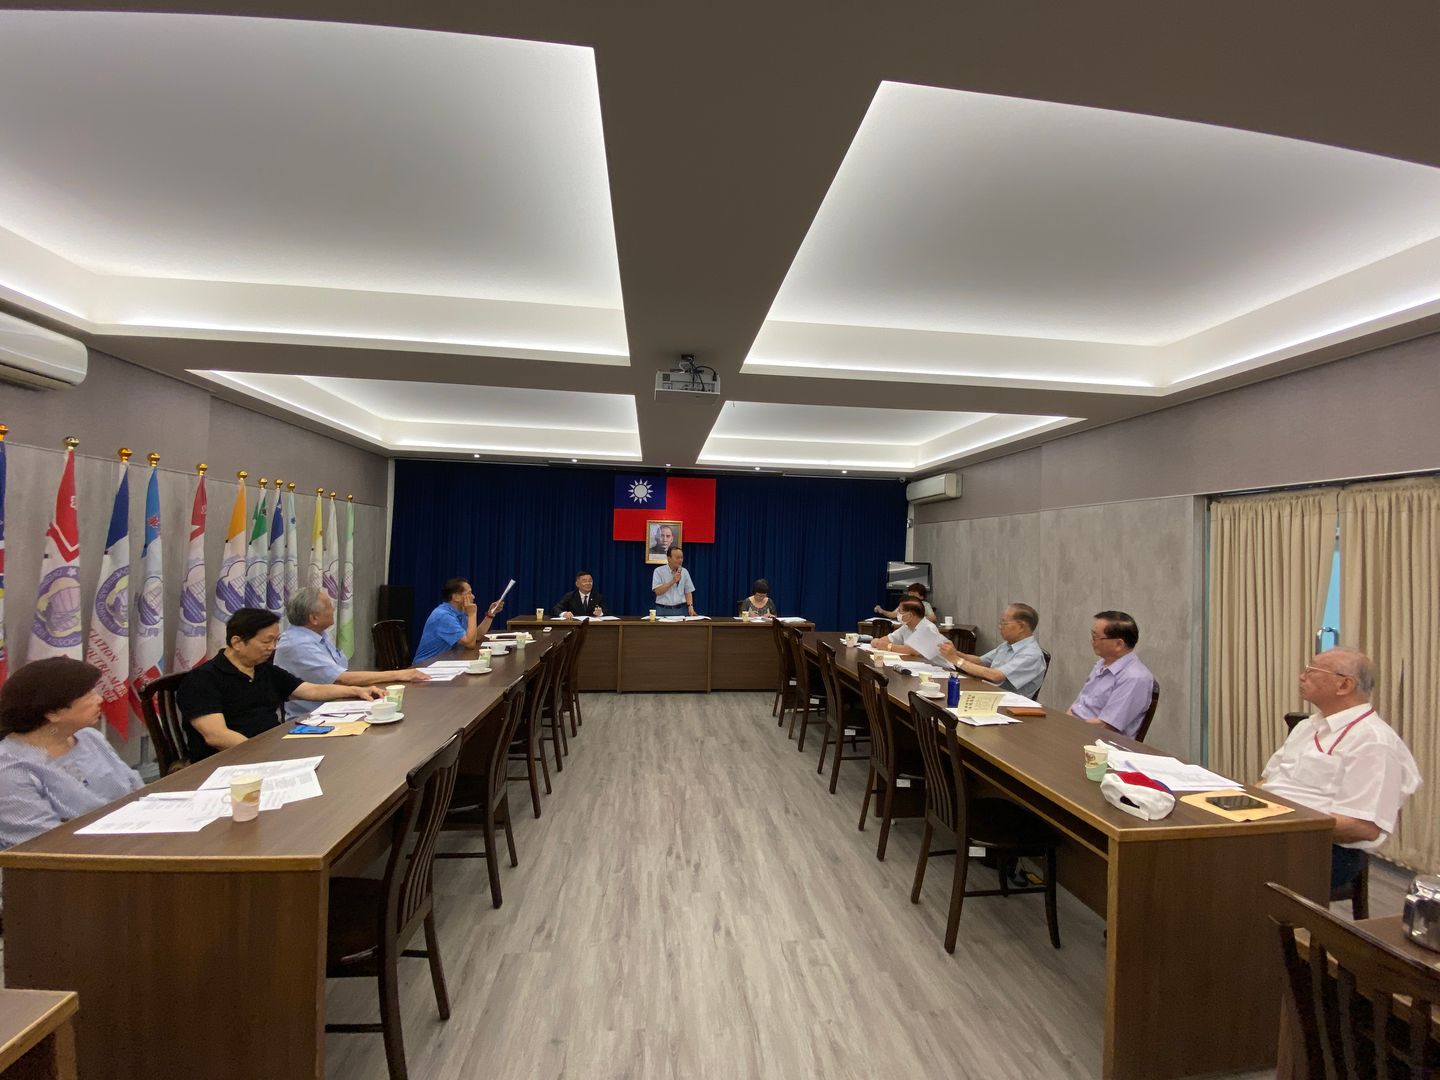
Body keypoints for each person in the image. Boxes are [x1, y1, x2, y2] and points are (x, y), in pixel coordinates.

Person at [1260, 648, 1421, 893]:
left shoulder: (1373, 741)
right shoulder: (1307, 726)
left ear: (1344, 685)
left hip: (1325, 850)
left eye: (1311, 671)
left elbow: (1362, 826)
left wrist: (1278, 819)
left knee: (1224, 865)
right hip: (1274, 829)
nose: (1302, 676)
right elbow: (1268, 782)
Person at [178, 607, 385, 761]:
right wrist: (267, 758)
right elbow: (217, 736)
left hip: (273, 748)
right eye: (266, 641)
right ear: (237, 642)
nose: (273, 648)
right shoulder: (202, 679)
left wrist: (356, 690)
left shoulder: (263, 669)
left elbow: (311, 690)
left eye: (276, 640)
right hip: (228, 762)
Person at [0, 658, 145, 849]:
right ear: (52, 713)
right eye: (88, 695)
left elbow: (136, 789)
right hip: (76, 858)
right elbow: (42, 841)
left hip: (132, 839)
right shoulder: (10, 767)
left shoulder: (90, 737)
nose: (99, 699)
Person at [274, 587, 430, 719]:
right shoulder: (298, 644)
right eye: (329, 606)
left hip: (337, 706)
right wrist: (400, 674)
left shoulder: (318, 635)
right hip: (311, 716)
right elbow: (341, 679)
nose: (333, 610)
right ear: (314, 618)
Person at [1067, 610, 1157, 737]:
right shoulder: (1102, 663)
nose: (1092, 641)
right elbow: (1077, 707)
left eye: (1095, 637)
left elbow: (1105, 726)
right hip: (1078, 731)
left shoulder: (1135, 678)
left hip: (1100, 741)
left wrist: (1069, 730)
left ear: (1118, 644)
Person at [939, 603, 1047, 698]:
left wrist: (956, 659)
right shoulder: (1007, 645)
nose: (1000, 627)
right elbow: (980, 661)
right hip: (990, 694)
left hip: (1012, 705)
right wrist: (954, 652)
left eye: (1004, 623)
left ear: (1021, 627)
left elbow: (996, 676)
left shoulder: (1031, 654)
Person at [413, 578, 505, 664]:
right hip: (426, 665)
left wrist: (490, 613)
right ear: (456, 597)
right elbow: (470, 644)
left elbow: (475, 637)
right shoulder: (443, 616)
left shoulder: (459, 612)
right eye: (469, 593)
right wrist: (472, 614)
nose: (473, 596)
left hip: (445, 662)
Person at [872, 599, 953, 668]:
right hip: (920, 665)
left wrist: (887, 646)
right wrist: (877, 642)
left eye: (900, 611)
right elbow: (887, 639)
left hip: (941, 669)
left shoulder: (928, 628)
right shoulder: (906, 626)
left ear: (910, 615)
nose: (897, 614)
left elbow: (913, 650)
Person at [651, 546, 696, 616]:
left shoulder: (684, 572)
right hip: (663, 610)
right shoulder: (658, 571)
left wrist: (690, 606)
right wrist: (673, 581)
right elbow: (658, 591)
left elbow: (688, 591)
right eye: (677, 558)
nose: (680, 560)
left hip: (681, 610)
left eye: (681, 557)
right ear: (669, 558)